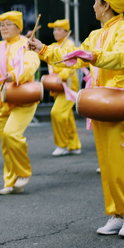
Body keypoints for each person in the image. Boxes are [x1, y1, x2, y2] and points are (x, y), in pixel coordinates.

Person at [29, 0, 124, 238]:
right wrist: (43, 50)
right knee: (106, 161)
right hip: (101, 102)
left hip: (120, 101)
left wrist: (94, 56)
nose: (92, 6)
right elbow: (73, 55)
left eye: (96, 2)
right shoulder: (96, 34)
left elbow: (123, 57)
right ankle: (116, 213)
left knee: (120, 162)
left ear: (107, 6)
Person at [0, 11, 40, 194]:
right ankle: (10, 181)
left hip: (23, 98)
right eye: (1, 25)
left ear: (18, 27)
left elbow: (31, 65)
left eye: (8, 24)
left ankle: (22, 172)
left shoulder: (26, 45)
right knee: (6, 142)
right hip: (3, 98)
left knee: (11, 133)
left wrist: (14, 75)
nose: (3, 28)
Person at [46, 19, 81, 156]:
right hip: (58, 84)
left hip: (68, 84)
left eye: (59, 29)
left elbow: (72, 64)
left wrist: (63, 75)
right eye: (54, 29)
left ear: (67, 31)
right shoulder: (54, 45)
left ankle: (62, 144)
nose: (55, 32)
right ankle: (74, 144)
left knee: (57, 112)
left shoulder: (70, 44)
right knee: (67, 115)